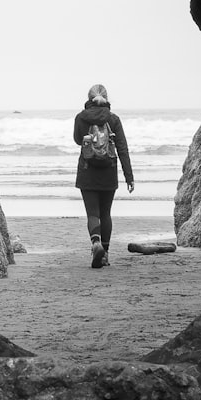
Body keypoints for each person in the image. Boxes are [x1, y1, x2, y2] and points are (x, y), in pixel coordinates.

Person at [74, 84, 134, 268]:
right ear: (106, 99)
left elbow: (77, 140)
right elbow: (122, 148)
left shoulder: (81, 118)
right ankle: (105, 254)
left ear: (89, 98)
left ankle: (95, 243)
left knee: (92, 213)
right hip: (108, 170)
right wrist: (129, 176)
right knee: (105, 213)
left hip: (87, 169)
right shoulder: (113, 119)